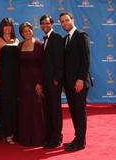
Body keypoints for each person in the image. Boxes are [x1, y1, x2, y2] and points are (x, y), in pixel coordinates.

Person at [59, 12, 93, 152]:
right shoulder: (65, 39)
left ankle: (80, 142)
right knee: (73, 112)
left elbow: (86, 60)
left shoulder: (81, 35)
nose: (65, 23)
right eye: (62, 21)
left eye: (67, 20)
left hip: (79, 83)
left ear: (72, 20)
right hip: (69, 84)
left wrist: (80, 79)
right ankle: (77, 138)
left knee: (79, 112)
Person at [17, 22, 45, 146]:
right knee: (25, 109)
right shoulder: (20, 45)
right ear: (21, 34)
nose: (27, 33)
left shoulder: (39, 45)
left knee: (36, 110)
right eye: (24, 31)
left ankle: (37, 138)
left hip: (35, 82)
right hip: (23, 82)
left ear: (32, 31)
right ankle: (25, 138)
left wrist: (40, 83)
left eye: (29, 30)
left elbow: (43, 66)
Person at [0, 18, 19, 144]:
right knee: (6, 104)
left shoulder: (17, 40)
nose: (7, 28)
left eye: (9, 25)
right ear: (1, 27)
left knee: (14, 104)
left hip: (16, 77)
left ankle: (14, 131)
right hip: (5, 77)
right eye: (5, 26)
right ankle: (6, 133)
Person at [40, 15, 64, 149]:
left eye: (47, 23)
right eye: (42, 23)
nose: (44, 25)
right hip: (46, 82)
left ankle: (56, 138)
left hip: (54, 82)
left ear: (52, 24)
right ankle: (50, 137)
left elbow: (59, 61)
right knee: (49, 110)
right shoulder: (46, 40)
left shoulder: (56, 38)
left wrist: (56, 79)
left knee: (55, 111)